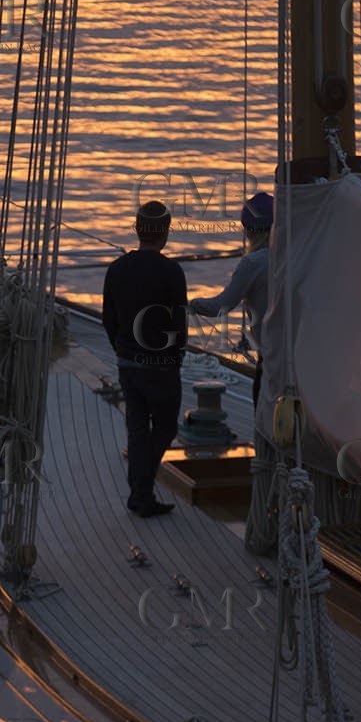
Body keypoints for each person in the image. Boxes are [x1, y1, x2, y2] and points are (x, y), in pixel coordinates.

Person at [102, 200, 188, 519]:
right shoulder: (171, 272)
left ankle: (141, 492)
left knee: (137, 429)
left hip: (129, 362)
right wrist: (177, 354)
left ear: (137, 230)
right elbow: (179, 323)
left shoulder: (117, 269)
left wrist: (120, 349)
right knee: (164, 428)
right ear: (164, 233)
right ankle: (141, 490)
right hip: (162, 365)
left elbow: (108, 318)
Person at [189, 191, 273, 405]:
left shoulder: (252, 263)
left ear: (248, 230)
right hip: (298, 352)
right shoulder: (293, 255)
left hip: (271, 358)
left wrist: (191, 304)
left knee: (266, 412)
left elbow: (220, 307)